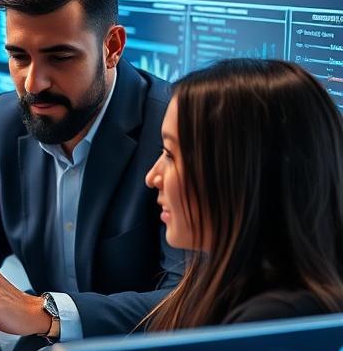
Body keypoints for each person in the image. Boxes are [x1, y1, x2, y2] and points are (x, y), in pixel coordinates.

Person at [0, 0, 184, 341]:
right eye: (19, 57)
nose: (33, 84)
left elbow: (188, 299)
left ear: (112, 47)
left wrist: (43, 312)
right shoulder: (5, 119)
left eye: (59, 57)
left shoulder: (175, 131)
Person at [141, 59, 343, 327]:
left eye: (170, 154)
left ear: (242, 173)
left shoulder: (271, 325)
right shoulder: (226, 286)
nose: (152, 178)